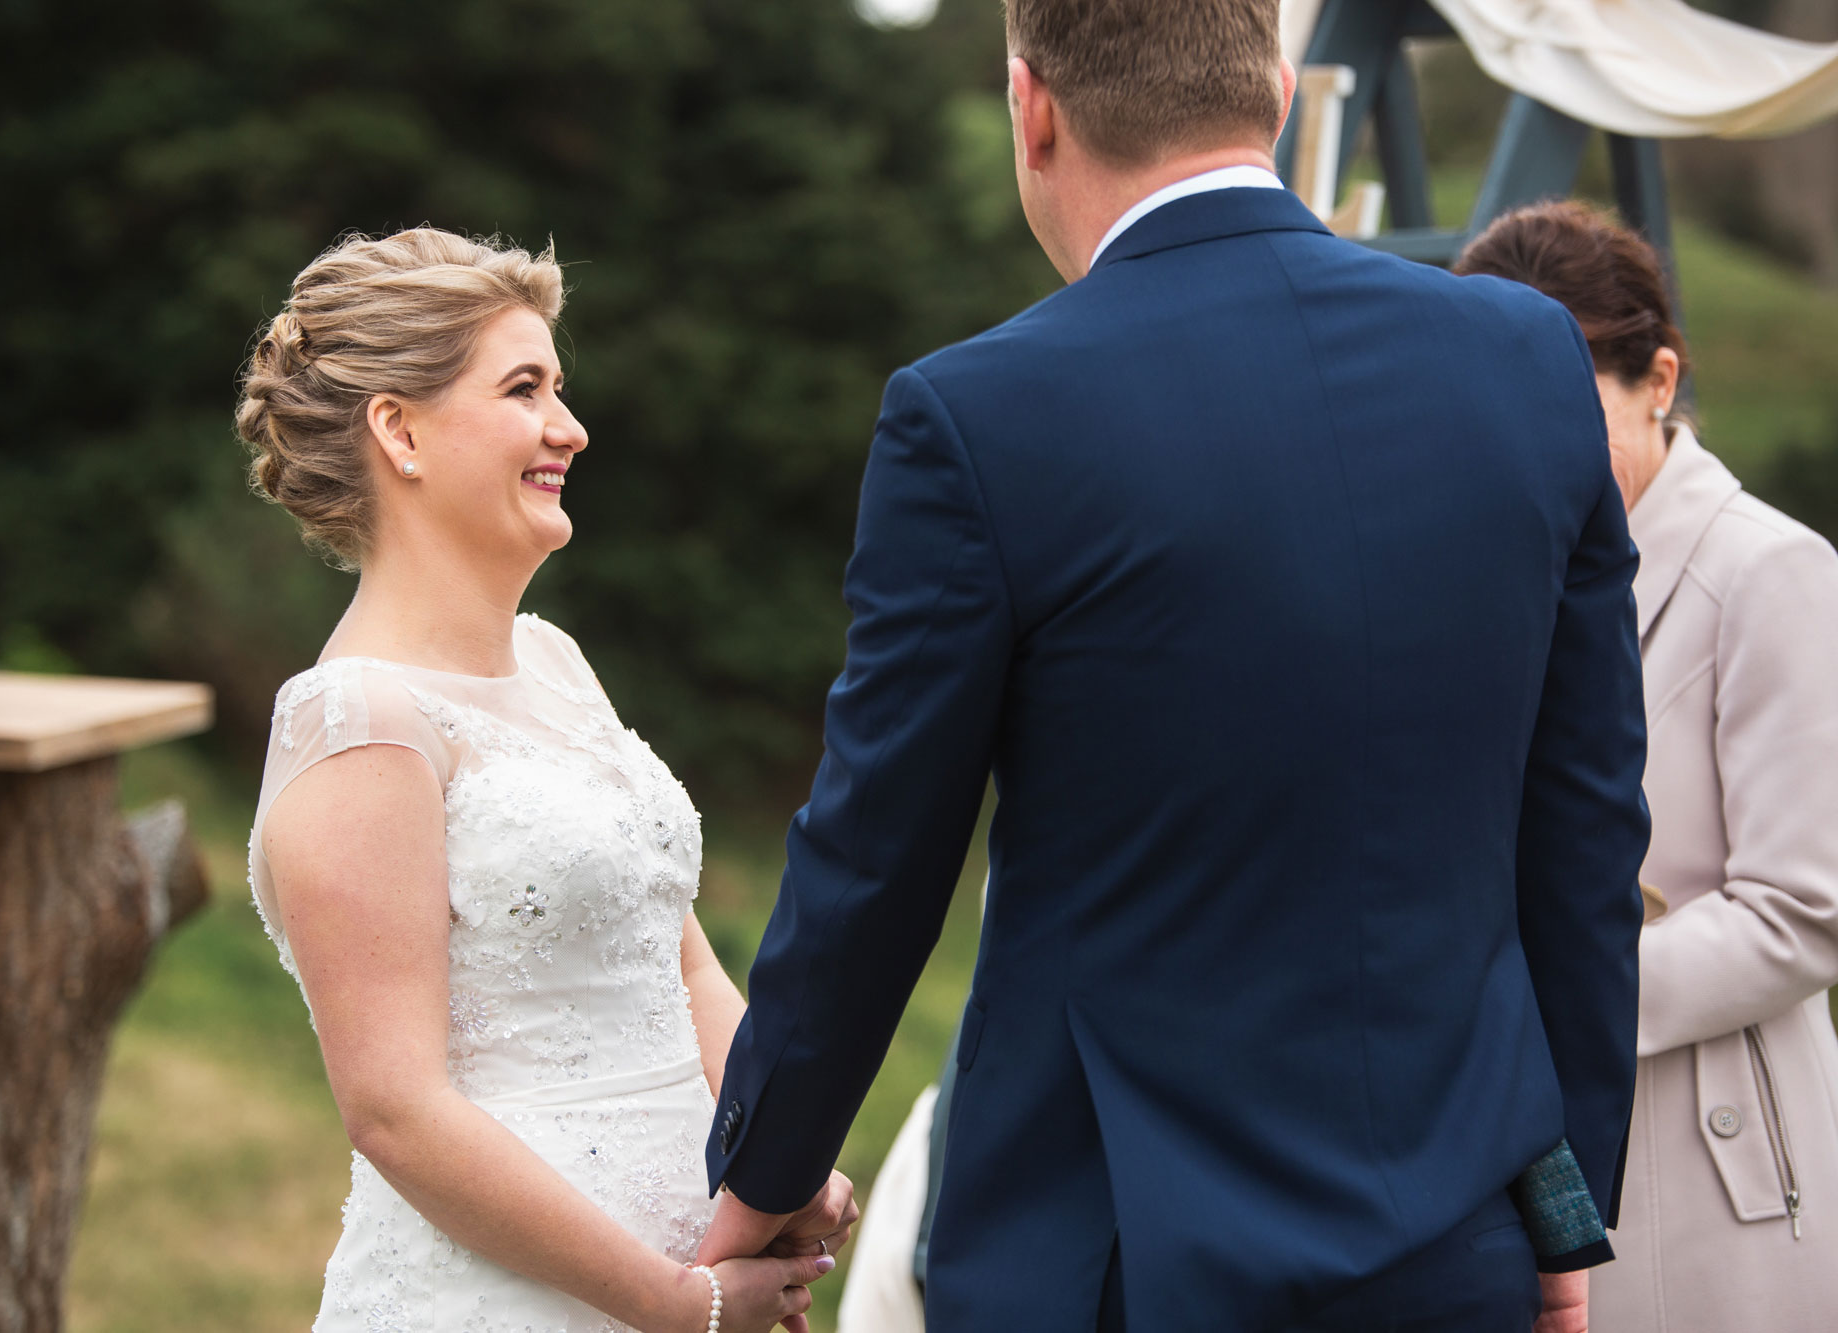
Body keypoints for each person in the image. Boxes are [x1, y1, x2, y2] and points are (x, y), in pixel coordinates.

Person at [693, 0, 1651, 1328]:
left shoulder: (979, 416)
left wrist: (758, 1178)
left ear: (1032, 107)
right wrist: (1564, 1209)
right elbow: (1586, 829)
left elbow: (876, 860)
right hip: (1457, 1248)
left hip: (1118, 1266)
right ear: (1275, 88)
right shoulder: (1525, 359)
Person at [236, 228, 855, 1333]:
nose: (568, 427)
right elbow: (396, 1111)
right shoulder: (358, 723)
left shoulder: (555, 659)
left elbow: (678, 958)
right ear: (400, 430)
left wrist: (784, 1163)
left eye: (558, 389)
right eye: (524, 389)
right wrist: (675, 1302)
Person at [1459, 202, 1838, 1333]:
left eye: (1570, 414)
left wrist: (1546, 996)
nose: (1534, 456)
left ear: (1658, 378)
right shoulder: (1477, 575)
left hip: (1708, 1167)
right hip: (1512, 1156)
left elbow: (1799, 910)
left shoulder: (1770, 571)